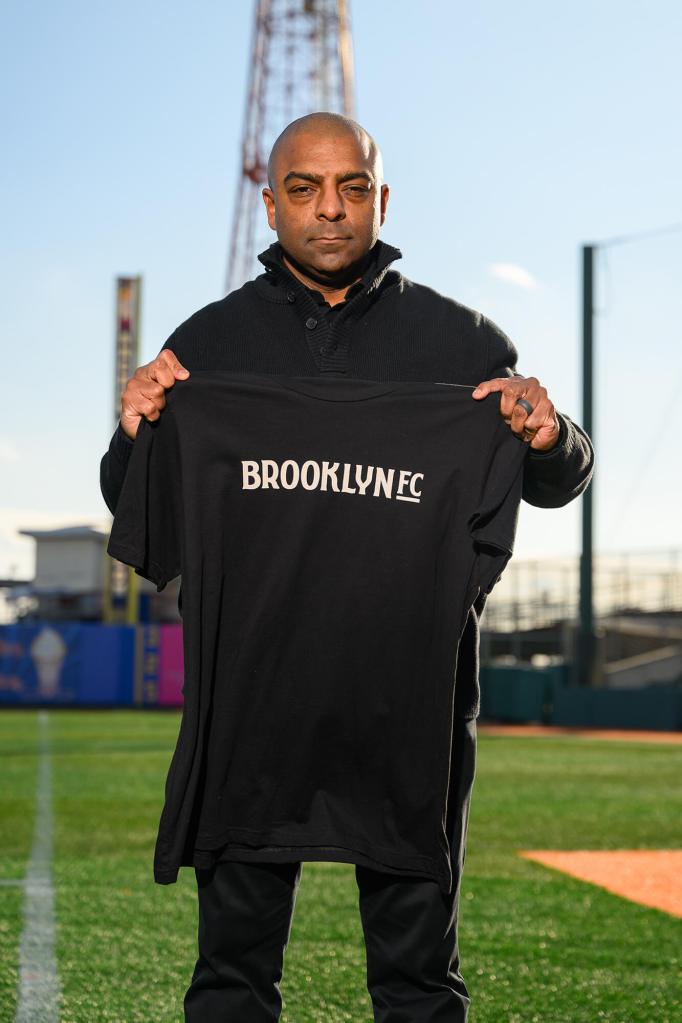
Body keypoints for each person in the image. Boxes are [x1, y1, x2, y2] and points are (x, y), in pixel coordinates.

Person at [100, 112, 594, 1022]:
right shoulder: (208, 347)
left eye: (352, 187)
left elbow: (559, 479)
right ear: (271, 201)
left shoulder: (461, 342)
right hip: (252, 699)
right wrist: (137, 425)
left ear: (381, 198)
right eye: (304, 188)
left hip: (409, 706)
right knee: (231, 977)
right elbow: (130, 496)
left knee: (417, 980)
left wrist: (548, 430)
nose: (330, 209)